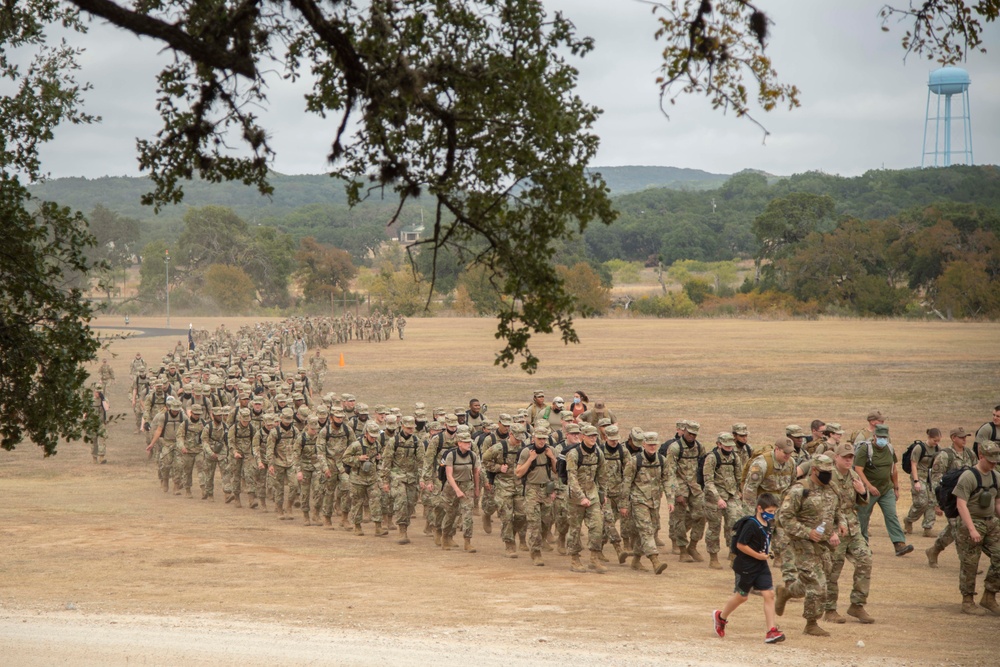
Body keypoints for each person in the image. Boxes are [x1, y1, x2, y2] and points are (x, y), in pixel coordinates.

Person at [775, 455, 844, 637]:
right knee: (817, 582)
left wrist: (840, 525)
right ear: (814, 470)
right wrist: (807, 532)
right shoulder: (799, 490)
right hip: (803, 543)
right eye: (824, 472)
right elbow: (784, 518)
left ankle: (787, 593)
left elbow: (837, 511)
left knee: (812, 580)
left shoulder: (832, 488)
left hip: (824, 543)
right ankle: (811, 623)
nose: (828, 476)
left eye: (830, 472)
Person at [712, 492, 785, 644]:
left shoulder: (768, 525)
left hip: (761, 565)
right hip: (746, 565)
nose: (771, 515)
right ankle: (721, 617)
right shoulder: (751, 524)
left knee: (769, 594)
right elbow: (740, 545)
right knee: (742, 596)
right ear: (759, 508)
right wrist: (757, 556)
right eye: (769, 512)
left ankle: (771, 631)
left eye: (773, 512)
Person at [820, 443, 874, 624]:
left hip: (852, 528)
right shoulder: (828, 477)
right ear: (836, 458)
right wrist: (829, 532)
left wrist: (863, 491)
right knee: (833, 570)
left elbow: (862, 503)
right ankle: (829, 609)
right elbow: (823, 507)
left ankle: (857, 604)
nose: (849, 460)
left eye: (851, 457)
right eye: (845, 457)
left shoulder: (854, 476)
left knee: (865, 559)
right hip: (835, 529)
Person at [952, 440, 1000, 616]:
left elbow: (997, 502)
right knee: (970, 562)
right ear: (981, 456)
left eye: (996, 460)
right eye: (990, 459)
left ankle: (989, 595)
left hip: (991, 522)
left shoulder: (996, 477)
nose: (994, 463)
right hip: (971, 521)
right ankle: (967, 600)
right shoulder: (969, 477)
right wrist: (972, 529)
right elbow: (961, 505)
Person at [854, 423, 914, 556]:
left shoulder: (889, 448)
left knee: (891, 514)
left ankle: (899, 544)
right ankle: (862, 544)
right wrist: (868, 486)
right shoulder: (865, 449)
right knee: (863, 516)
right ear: (874, 436)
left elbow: (893, 469)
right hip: (868, 490)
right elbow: (858, 469)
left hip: (886, 489)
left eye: (885, 437)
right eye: (880, 436)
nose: (882, 439)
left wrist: (896, 488)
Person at [927, 427, 979, 567]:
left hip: (967, 500)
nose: (964, 440)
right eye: (961, 437)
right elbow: (936, 480)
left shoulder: (970, 454)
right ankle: (967, 564)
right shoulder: (944, 455)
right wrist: (937, 503)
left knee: (954, 529)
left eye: (965, 437)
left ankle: (934, 550)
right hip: (950, 501)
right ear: (953, 438)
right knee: (959, 531)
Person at [626, 432, 673, 574]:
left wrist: (670, 500)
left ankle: (635, 560)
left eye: (655, 444)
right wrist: (623, 504)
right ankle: (655, 561)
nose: (652, 447)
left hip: (654, 502)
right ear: (643, 444)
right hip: (638, 500)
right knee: (646, 530)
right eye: (650, 444)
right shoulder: (635, 461)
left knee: (649, 531)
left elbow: (667, 480)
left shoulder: (662, 460)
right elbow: (626, 483)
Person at [565, 423, 607, 573]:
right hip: (575, 498)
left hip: (593, 495)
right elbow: (572, 479)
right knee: (575, 529)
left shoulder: (598, 452)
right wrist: (581, 497)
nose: (593, 438)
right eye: (590, 436)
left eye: (595, 435)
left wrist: (603, 494)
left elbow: (602, 475)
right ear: (582, 436)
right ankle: (574, 559)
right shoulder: (574, 454)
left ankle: (594, 559)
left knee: (597, 526)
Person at [703, 432, 748, 570]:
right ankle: (713, 558)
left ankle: (733, 554)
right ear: (719, 444)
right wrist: (718, 498)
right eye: (726, 446)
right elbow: (708, 481)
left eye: (731, 446)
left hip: (732, 495)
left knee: (735, 525)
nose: (729, 449)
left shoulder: (735, 457)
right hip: (714, 498)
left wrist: (740, 492)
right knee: (714, 528)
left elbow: (740, 477)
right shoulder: (711, 458)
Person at [665, 420, 706, 563]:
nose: (692, 437)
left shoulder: (699, 447)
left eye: (695, 434)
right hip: (680, 487)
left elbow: (702, 467)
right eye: (689, 433)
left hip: (695, 487)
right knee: (678, 519)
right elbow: (670, 473)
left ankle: (693, 546)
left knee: (702, 514)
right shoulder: (675, 448)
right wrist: (677, 493)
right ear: (684, 431)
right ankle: (682, 549)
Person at [516, 426, 558, 566]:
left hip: (546, 489)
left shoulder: (550, 451)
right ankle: (536, 552)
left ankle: (541, 542)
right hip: (532, 490)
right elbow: (518, 473)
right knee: (534, 524)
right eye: (539, 438)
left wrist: (552, 458)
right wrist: (530, 459)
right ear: (533, 438)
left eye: (544, 438)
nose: (541, 441)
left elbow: (557, 471)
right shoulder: (526, 452)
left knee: (546, 521)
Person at [441, 427, 482, 553]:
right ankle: (445, 537)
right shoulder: (451, 455)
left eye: (469, 442)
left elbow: (476, 473)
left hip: (467, 485)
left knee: (467, 514)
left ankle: (467, 541)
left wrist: (476, 489)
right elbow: (449, 475)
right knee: (450, 514)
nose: (468, 444)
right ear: (459, 443)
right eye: (465, 442)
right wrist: (457, 490)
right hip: (452, 487)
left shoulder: (473, 456)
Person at [904, 428, 941, 538]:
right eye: (935, 440)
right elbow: (913, 464)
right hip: (919, 475)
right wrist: (916, 481)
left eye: (938, 441)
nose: (936, 443)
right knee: (921, 501)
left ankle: (928, 527)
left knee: (932, 501)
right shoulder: (919, 448)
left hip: (931, 476)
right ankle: (909, 519)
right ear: (929, 438)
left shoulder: (938, 449)